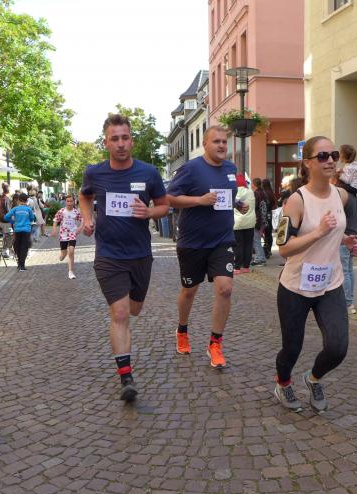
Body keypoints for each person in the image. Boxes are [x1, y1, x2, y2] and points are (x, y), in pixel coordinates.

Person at [79, 113, 169, 401]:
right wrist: (87, 218)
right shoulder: (95, 173)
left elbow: (164, 206)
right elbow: (85, 196)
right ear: (105, 143)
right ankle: (126, 377)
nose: (120, 143)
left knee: (134, 309)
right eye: (114, 139)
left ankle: (125, 365)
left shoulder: (149, 173)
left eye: (125, 138)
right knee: (119, 314)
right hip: (109, 255)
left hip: (140, 254)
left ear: (132, 141)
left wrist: (149, 212)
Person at [274, 136, 357, 413]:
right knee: (292, 348)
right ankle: (283, 384)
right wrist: (319, 232)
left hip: (330, 283)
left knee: (338, 347)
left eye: (333, 154)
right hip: (295, 287)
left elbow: (336, 229)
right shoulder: (295, 201)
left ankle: (313, 379)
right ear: (308, 163)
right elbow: (283, 248)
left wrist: (345, 239)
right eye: (322, 156)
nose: (330, 160)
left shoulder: (341, 195)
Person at [166, 125, 245, 368]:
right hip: (193, 242)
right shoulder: (190, 169)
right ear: (205, 144)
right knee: (189, 291)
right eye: (216, 141)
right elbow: (169, 198)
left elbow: (226, 196)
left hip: (222, 240)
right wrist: (199, 200)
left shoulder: (230, 169)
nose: (221, 145)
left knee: (225, 289)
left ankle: (215, 344)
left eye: (224, 141)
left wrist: (237, 204)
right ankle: (182, 330)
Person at [335, 144, 357, 314]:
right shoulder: (354, 195)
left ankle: (347, 303)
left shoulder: (343, 195)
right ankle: (349, 300)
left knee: (345, 270)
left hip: (345, 236)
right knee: (349, 269)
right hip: (353, 233)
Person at [51, 195, 82, 279]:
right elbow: (55, 220)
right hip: (63, 235)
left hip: (72, 234)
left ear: (74, 202)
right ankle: (62, 256)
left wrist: (80, 228)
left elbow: (82, 219)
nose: (69, 203)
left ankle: (71, 271)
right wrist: (54, 230)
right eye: (68, 201)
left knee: (71, 251)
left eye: (71, 201)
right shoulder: (61, 211)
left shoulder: (76, 212)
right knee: (63, 255)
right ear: (65, 202)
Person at [4, 193, 35, 272]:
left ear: (18, 200)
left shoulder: (15, 209)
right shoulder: (28, 209)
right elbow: (32, 219)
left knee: (17, 246)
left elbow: (6, 217)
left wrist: (13, 221)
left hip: (17, 230)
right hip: (26, 230)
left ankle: (19, 264)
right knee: (24, 247)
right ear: (27, 200)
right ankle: (22, 265)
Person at [233, 174, 256, 274]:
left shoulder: (234, 192)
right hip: (250, 222)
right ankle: (246, 266)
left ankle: (237, 267)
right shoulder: (250, 191)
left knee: (238, 245)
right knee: (248, 244)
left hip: (237, 223)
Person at [251, 178, 267, 267]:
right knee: (257, 239)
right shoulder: (263, 193)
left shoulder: (256, 193)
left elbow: (254, 206)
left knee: (256, 240)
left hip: (257, 219)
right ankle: (261, 258)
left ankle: (260, 259)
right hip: (262, 219)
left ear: (254, 184)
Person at [260, 179, 276, 257]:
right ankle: (268, 249)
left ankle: (266, 250)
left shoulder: (264, 193)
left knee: (264, 232)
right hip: (269, 213)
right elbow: (273, 204)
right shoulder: (271, 192)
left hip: (264, 214)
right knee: (268, 232)